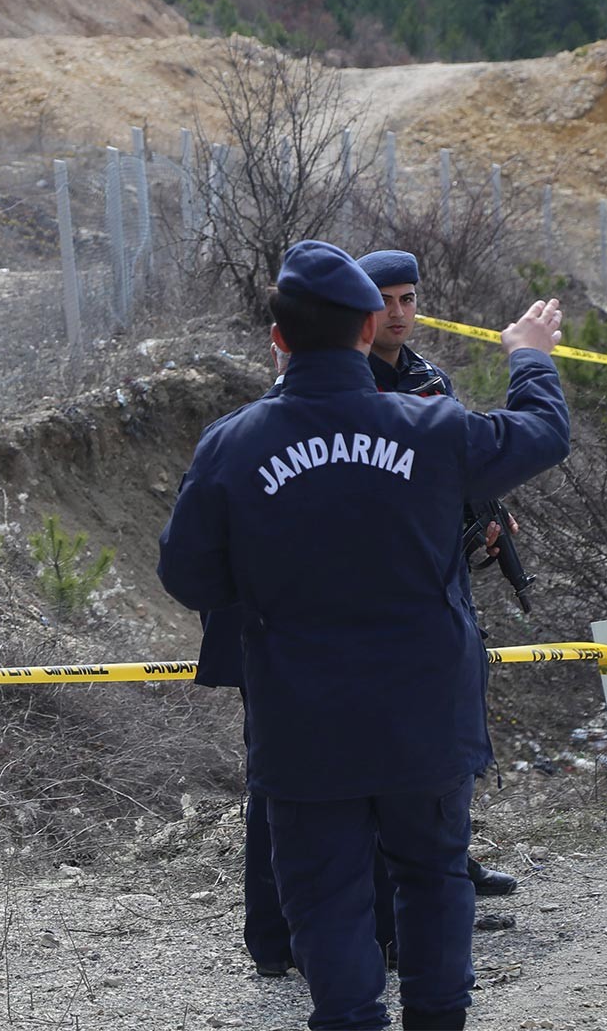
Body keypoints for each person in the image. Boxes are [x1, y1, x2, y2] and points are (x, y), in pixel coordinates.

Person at [159, 241, 569, 1031]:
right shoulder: (435, 426)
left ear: (278, 340)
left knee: (324, 889)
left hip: (302, 712)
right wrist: (530, 358)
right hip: (424, 705)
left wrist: (277, 594)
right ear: (367, 330)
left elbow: (189, 578)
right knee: (434, 873)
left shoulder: (232, 444)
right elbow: (543, 434)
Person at [356, 249, 521, 905]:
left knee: (454, 723)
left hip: (445, 581)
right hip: (386, 587)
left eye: (408, 299)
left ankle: (454, 857)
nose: (399, 313)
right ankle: (414, 875)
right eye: (385, 300)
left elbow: (460, 471)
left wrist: (487, 521)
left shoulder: (430, 379)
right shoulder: (353, 382)